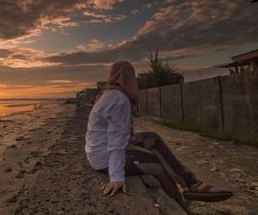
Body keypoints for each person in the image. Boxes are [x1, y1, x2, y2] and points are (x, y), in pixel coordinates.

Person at [85, 60, 233, 206]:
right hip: (104, 158)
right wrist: (116, 178)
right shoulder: (119, 100)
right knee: (156, 164)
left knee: (153, 138)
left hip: (97, 150)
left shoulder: (108, 95)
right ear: (129, 78)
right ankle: (181, 206)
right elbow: (116, 142)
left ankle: (190, 183)